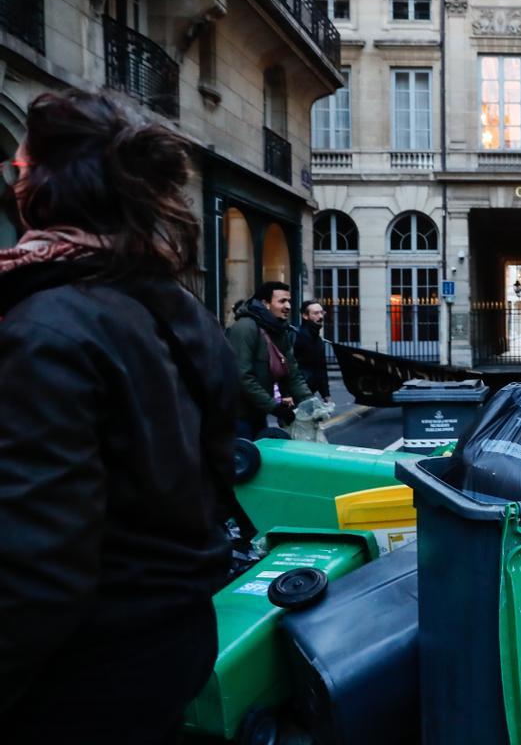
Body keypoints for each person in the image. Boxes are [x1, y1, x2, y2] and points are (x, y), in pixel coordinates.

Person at [0, 90, 236, 743]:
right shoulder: (174, 307)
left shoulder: (46, 329)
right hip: (168, 643)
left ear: (47, 186)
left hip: (79, 677)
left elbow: (36, 570)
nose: (15, 176)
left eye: (21, 164)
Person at [227, 281, 312, 439]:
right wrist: (275, 408)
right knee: (244, 460)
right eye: (282, 301)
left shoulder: (279, 331)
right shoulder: (245, 328)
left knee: (261, 458)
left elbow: (292, 373)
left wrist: (311, 403)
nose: (288, 306)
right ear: (265, 303)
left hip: (258, 413)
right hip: (236, 416)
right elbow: (242, 376)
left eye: (289, 301)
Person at [294, 299, 331, 401]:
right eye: (316, 313)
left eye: (321, 312)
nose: (321, 317)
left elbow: (321, 369)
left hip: (308, 394)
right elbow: (288, 368)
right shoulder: (296, 336)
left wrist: (326, 395)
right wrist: (286, 394)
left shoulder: (318, 340)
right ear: (305, 316)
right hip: (295, 394)